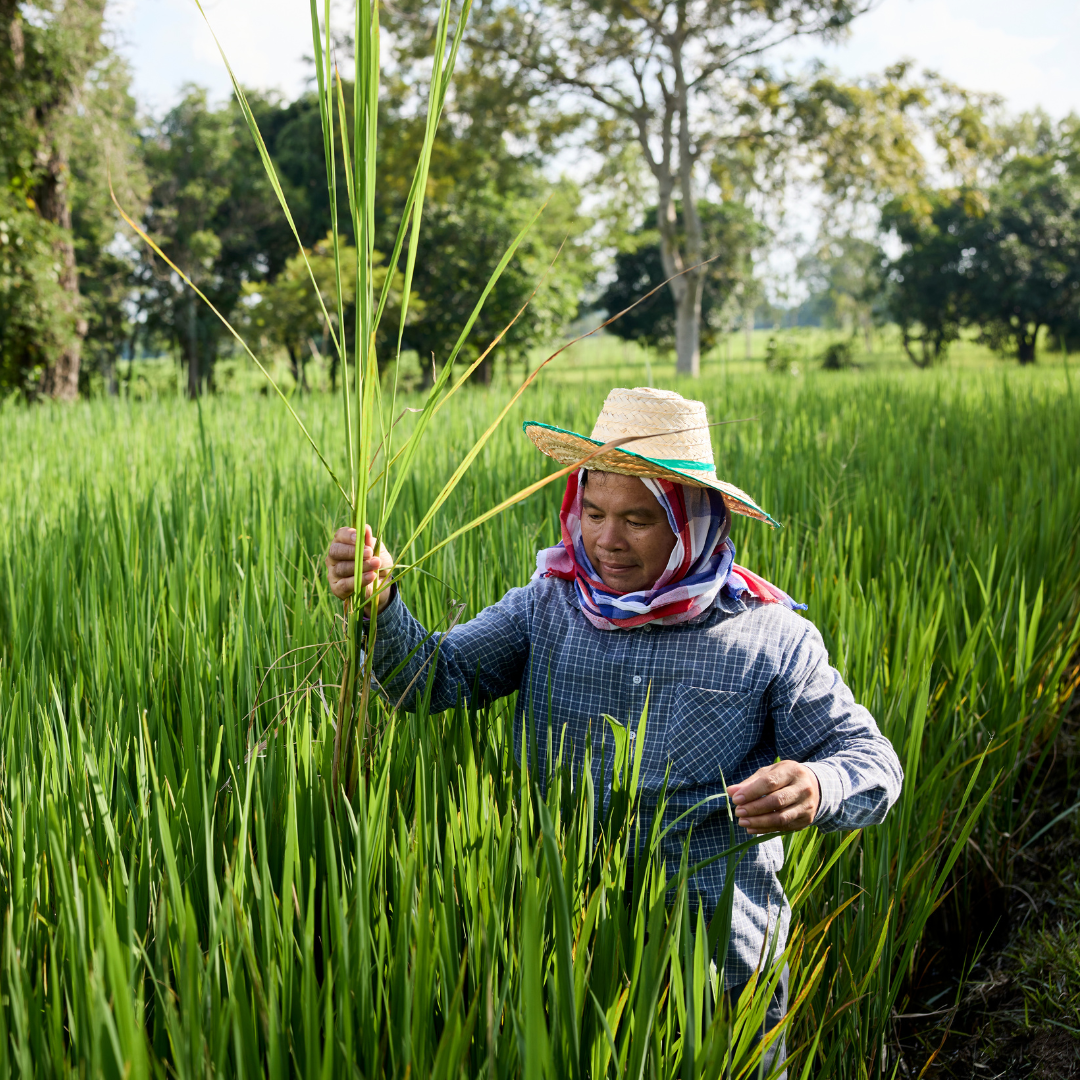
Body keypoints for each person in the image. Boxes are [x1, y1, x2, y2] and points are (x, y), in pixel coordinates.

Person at [326, 387, 903, 1076]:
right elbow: (430, 679)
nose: (606, 539)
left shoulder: (770, 637)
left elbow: (872, 762)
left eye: (637, 519)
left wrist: (815, 783)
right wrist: (378, 601)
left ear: (693, 520)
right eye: (594, 512)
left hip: (715, 968)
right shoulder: (547, 605)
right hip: (562, 958)